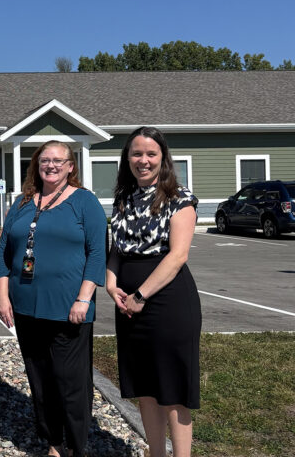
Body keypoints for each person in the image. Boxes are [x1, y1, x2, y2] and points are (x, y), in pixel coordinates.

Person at [0, 141, 107, 457]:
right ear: (36, 165)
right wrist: (3, 297)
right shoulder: (22, 203)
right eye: (45, 160)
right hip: (26, 309)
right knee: (40, 381)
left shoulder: (85, 203)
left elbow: (97, 253)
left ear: (71, 166)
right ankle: (53, 442)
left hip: (69, 309)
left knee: (71, 383)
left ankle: (75, 445)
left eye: (59, 160)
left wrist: (84, 299)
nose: (52, 165)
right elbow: (3, 252)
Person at [105, 126, 200, 457]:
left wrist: (141, 296)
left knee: (172, 389)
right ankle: (156, 452)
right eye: (136, 153)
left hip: (168, 303)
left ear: (163, 158)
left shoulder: (180, 198)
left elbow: (177, 256)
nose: (142, 160)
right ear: (127, 158)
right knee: (144, 387)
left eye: (150, 154)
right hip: (129, 304)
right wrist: (111, 283)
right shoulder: (123, 198)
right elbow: (117, 248)